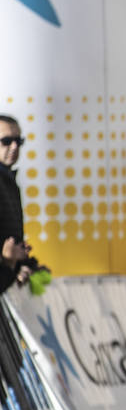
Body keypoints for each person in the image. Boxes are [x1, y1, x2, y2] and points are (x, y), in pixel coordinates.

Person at [0, 115, 41, 293]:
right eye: (6, 141)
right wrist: (6, 260)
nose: (14, 146)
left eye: (19, 140)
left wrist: (21, 264)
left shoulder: (8, 179)